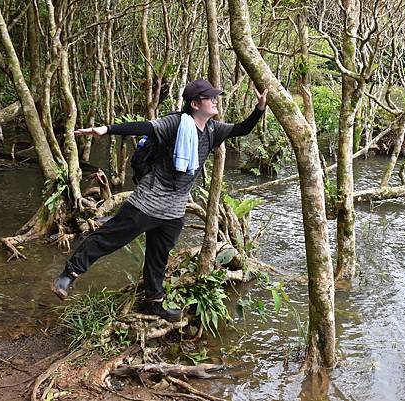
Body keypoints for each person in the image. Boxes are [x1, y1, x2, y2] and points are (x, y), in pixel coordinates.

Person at [51, 79, 268, 322]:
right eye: (210, 98)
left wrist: (259, 108)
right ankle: (68, 275)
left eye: (216, 97)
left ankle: (154, 302)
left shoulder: (213, 130)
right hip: (148, 201)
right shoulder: (175, 123)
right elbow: (144, 127)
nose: (216, 101)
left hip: (174, 209)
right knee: (108, 238)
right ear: (195, 104)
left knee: (158, 255)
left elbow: (242, 129)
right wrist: (107, 129)